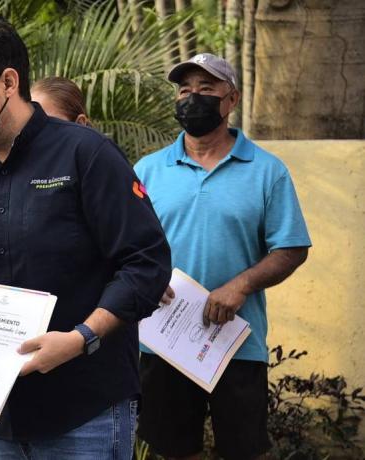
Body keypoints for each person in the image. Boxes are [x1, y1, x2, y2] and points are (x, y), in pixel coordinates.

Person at [0, 17, 172, 459]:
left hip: (85, 411)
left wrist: (81, 337)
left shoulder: (86, 154)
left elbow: (146, 263)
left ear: (7, 82)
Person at [133, 53, 311, 460]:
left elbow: (292, 246)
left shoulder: (268, 171)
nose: (192, 97)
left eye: (206, 89)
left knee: (241, 450)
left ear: (231, 100)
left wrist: (242, 285)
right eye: (184, 90)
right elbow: (127, 246)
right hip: (165, 341)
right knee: (172, 450)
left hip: (238, 342)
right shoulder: (148, 170)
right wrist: (147, 277)